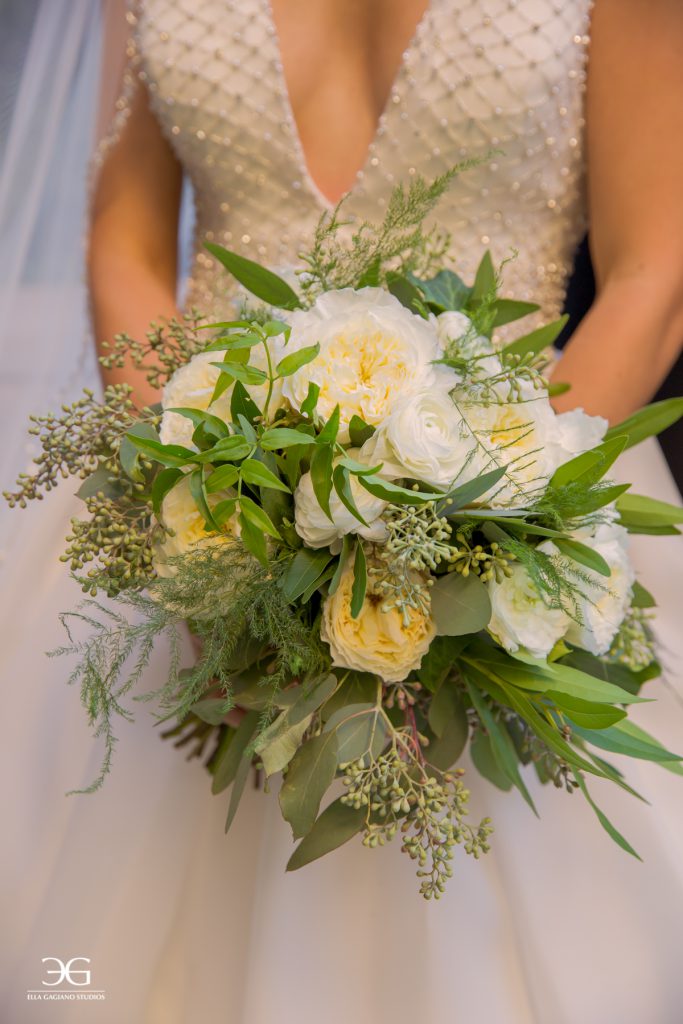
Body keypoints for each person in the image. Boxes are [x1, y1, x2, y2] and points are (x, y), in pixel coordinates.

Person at [3, 1, 683, 1021]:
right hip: (195, 522)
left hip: (522, 510)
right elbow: (127, 242)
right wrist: (199, 517)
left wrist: (479, 534)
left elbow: (652, 270)